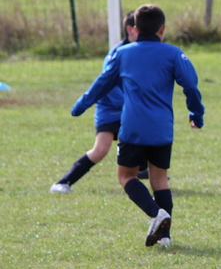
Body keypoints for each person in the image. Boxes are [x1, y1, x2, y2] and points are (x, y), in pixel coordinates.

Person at [71, 4, 204, 247]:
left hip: (133, 128)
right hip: (162, 128)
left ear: (135, 29)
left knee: (126, 176)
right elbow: (191, 85)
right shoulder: (174, 53)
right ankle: (165, 237)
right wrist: (196, 113)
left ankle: (156, 214)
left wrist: (81, 105)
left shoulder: (122, 54)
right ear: (162, 29)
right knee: (160, 181)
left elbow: (102, 84)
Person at [50, 13, 148, 193]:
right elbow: (106, 85)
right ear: (130, 30)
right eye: (142, 30)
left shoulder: (142, 51)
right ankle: (63, 182)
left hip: (130, 108)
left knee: (146, 140)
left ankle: (144, 170)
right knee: (101, 149)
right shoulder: (116, 54)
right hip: (110, 108)